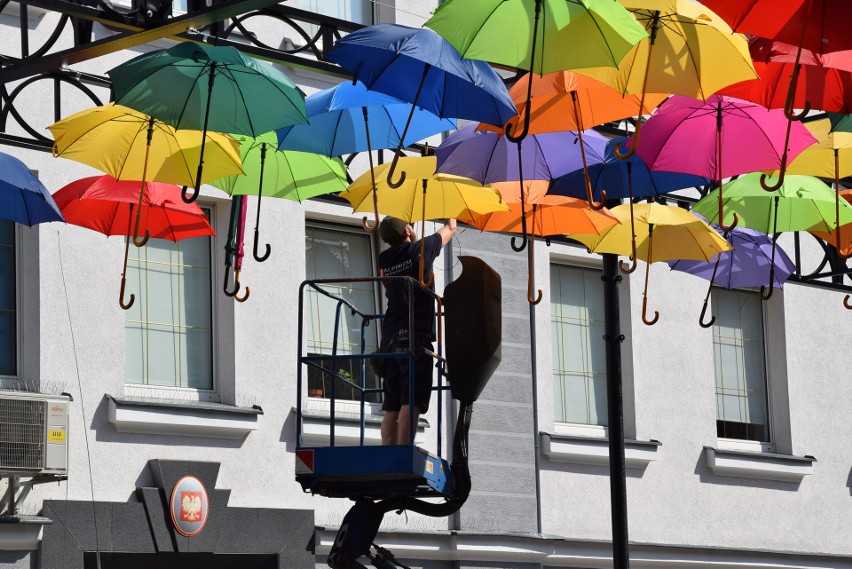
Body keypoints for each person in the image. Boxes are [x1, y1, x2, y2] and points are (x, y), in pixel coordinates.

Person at [377, 216, 456, 445]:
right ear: (408, 231)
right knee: (411, 402)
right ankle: (403, 453)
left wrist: (413, 238)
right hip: (415, 338)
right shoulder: (420, 250)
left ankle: (387, 453)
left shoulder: (384, 260)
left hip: (390, 341)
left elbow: (410, 255)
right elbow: (450, 227)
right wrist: (451, 218)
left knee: (392, 405)